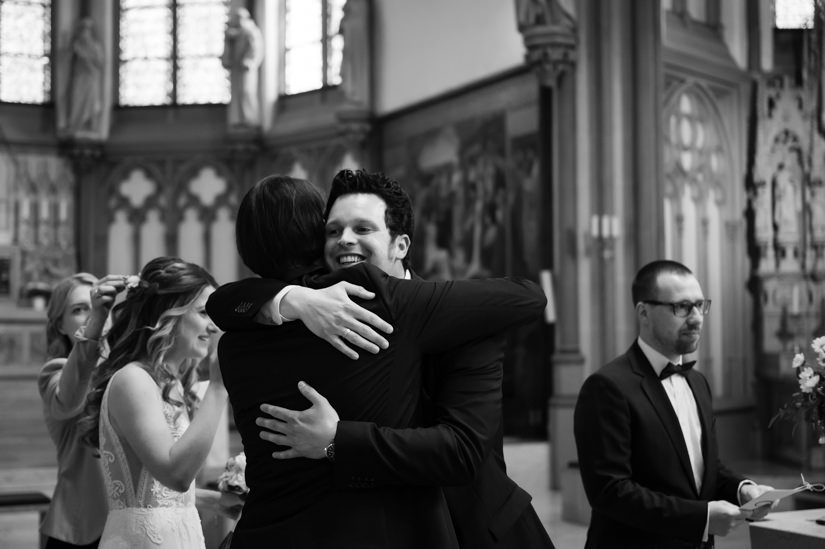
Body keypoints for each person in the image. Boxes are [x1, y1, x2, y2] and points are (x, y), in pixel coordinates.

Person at [207, 169, 555, 548]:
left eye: (362, 229)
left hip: (473, 524)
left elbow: (463, 450)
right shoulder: (298, 307)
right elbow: (223, 301)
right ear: (313, 238)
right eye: (333, 230)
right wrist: (294, 299)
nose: (345, 241)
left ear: (400, 245)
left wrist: (337, 440)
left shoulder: (456, 316)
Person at [573, 260, 775, 548]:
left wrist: (743, 489)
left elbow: (704, 470)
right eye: (682, 307)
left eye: (700, 305)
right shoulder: (607, 387)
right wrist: (700, 518)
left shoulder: (698, 383)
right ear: (644, 312)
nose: (696, 318)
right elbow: (610, 491)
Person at [80, 257, 228, 549]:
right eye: (203, 313)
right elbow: (176, 475)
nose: (213, 328)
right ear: (167, 314)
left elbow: (155, 494)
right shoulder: (132, 380)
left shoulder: (173, 385)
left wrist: (218, 501)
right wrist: (220, 386)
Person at [39, 273, 124, 549]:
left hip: (129, 525)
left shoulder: (130, 372)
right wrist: (96, 321)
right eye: (79, 309)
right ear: (59, 325)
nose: (93, 313)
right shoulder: (55, 372)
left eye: (98, 304)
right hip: (82, 530)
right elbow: (69, 400)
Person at [221, 7, 263, 128]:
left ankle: (250, 119)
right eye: (236, 19)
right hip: (237, 70)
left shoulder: (251, 31)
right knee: (237, 94)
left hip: (246, 70)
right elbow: (227, 54)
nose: (238, 21)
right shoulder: (234, 34)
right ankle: (239, 119)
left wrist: (250, 61)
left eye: (239, 18)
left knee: (247, 92)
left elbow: (257, 48)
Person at [67, 17, 103, 135]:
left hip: (91, 78)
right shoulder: (76, 46)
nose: (85, 32)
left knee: (91, 103)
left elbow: (99, 63)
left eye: (87, 30)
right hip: (80, 78)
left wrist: (87, 60)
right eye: (82, 30)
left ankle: (90, 126)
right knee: (78, 101)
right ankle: (77, 125)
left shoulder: (96, 47)